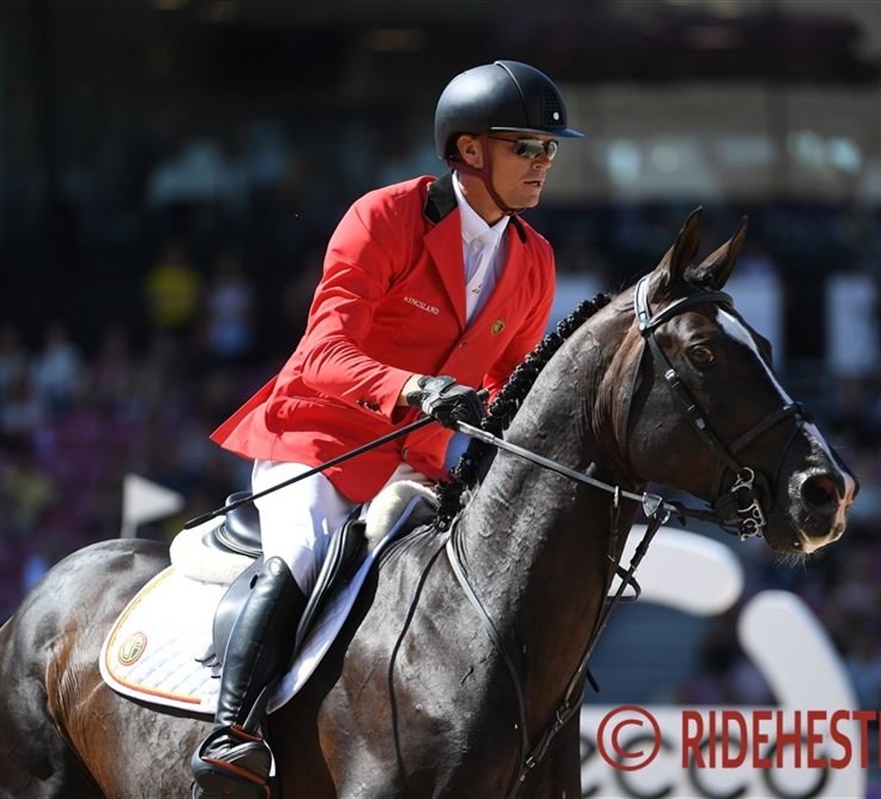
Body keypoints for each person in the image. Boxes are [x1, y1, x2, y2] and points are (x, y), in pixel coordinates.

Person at [189, 60, 583, 799]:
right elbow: (322, 352)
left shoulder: (535, 261)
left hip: (416, 470)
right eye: (526, 146)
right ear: (470, 150)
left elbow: (511, 389)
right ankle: (232, 734)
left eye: (550, 149)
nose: (543, 162)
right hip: (318, 443)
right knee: (303, 552)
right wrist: (413, 387)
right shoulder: (386, 217)